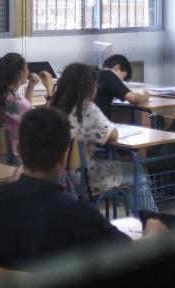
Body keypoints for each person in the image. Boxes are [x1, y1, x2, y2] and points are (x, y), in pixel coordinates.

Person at [0, 107, 166, 271]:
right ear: (65, 156)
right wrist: (154, 229)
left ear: (18, 149)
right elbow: (133, 253)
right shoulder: (79, 215)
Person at [47, 63, 159, 212]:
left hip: (53, 174)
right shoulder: (87, 108)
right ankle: (150, 219)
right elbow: (113, 134)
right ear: (89, 87)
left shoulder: (52, 106)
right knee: (136, 171)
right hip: (81, 177)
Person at [0, 52, 53, 164]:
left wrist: (30, 87)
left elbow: (25, 115)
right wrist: (50, 89)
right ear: (20, 73)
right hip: (18, 162)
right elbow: (44, 120)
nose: (28, 71)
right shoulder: (15, 101)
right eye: (26, 68)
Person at [93, 54, 150, 119]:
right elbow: (133, 99)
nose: (121, 81)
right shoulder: (109, 75)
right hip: (97, 124)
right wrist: (145, 97)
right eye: (123, 77)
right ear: (117, 67)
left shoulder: (95, 74)